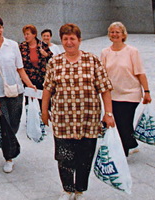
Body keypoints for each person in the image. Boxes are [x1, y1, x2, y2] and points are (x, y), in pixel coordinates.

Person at [42, 23, 115, 200]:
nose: (69, 42)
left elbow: (104, 89)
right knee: (64, 157)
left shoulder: (92, 60)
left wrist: (109, 113)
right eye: (65, 39)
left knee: (84, 158)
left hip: (88, 120)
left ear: (79, 40)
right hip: (63, 120)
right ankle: (67, 190)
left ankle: (80, 190)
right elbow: (47, 89)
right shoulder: (55, 62)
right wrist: (44, 112)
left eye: (72, 38)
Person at [0, 15, 36, 174]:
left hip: (16, 91)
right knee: (5, 125)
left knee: (14, 123)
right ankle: (9, 157)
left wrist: (29, 85)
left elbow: (20, 68)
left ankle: (11, 147)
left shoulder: (13, 45)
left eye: (0, 27)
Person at [100, 21, 152, 156]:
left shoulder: (132, 51)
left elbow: (140, 72)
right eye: (112, 32)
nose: (114, 34)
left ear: (123, 35)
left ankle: (122, 154)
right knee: (118, 122)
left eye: (117, 32)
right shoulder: (105, 52)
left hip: (131, 94)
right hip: (112, 95)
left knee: (124, 122)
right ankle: (131, 143)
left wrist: (146, 91)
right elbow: (101, 74)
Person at [19, 24, 53, 94]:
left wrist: (46, 55)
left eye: (28, 34)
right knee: (29, 103)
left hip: (41, 79)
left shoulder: (42, 45)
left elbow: (51, 59)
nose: (26, 36)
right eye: (24, 34)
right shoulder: (22, 46)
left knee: (43, 101)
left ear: (34, 34)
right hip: (28, 80)